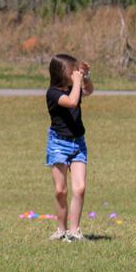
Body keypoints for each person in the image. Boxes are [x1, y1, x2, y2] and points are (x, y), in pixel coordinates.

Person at [45, 54, 94, 242]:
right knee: (61, 190)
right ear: (60, 73)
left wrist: (85, 77)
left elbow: (88, 90)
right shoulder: (53, 93)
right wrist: (76, 82)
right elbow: (72, 102)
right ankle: (61, 229)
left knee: (80, 188)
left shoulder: (74, 88)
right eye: (71, 70)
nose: (74, 72)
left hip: (78, 143)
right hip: (58, 144)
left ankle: (74, 231)